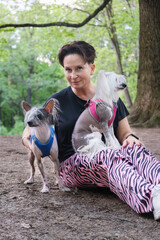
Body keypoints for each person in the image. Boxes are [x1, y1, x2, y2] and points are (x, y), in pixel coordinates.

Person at [22, 40, 160, 220]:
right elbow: (29, 130)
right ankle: (150, 200)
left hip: (111, 159)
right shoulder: (56, 102)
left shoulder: (109, 97)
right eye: (68, 69)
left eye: (79, 68)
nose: (73, 75)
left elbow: (125, 133)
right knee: (107, 155)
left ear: (92, 68)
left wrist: (130, 138)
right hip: (73, 166)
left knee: (135, 149)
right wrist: (30, 143)